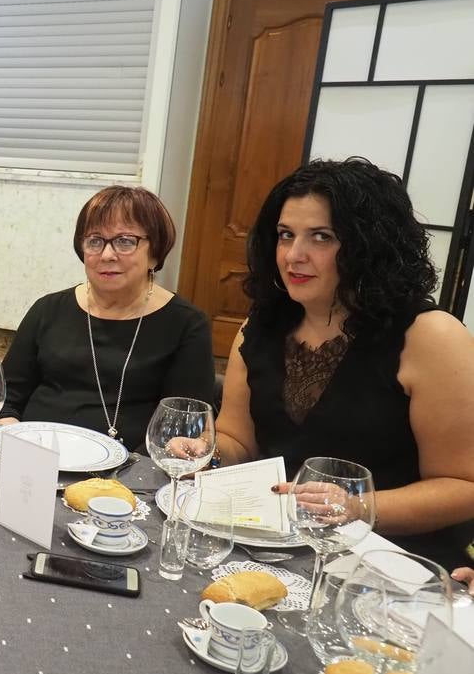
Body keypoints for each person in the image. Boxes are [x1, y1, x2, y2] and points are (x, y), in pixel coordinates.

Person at [191, 158, 474, 570]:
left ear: (369, 245)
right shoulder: (261, 324)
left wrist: (357, 506)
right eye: (286, 235)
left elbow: (464, 485)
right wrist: (207, 451)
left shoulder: (431, 337)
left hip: (389, 562)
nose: (294, 255)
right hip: (277, 546)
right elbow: (239, 439)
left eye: (321, 237)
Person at [0, 186, 214, 446]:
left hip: (133, 474)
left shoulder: (185, 324)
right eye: (95, 241)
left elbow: (184, 428)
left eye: (125, 241)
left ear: (154, 253)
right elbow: (5, 398)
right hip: (35, 457)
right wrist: (19, 442)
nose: (107, 255)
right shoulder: (48, 309)